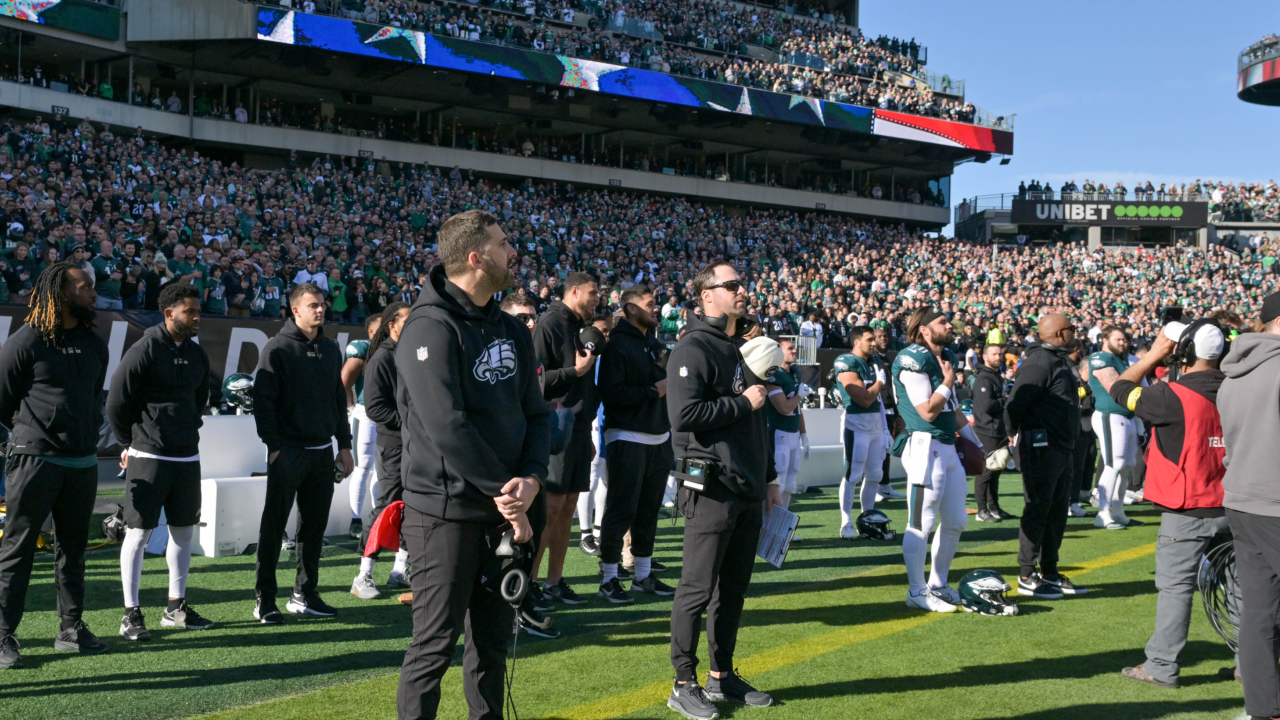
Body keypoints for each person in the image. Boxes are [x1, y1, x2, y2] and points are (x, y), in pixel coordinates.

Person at [394, 210, 549, 720]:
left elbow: (536, 412)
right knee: (434, 647)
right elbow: (447, 426)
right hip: (445, 513)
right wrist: (510, 495)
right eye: (505, 245)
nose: (514, 253)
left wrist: (530, 478)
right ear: (477, 257)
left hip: (506, 508)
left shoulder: (510, 327)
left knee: (492, 644)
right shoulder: (427, 327)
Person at [666, 260, 780, 719]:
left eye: (742, 284)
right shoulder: (692, 347)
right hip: (711, 486)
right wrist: (741, 401)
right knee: (696, 588)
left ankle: (721, 675)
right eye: (731, 285)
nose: (742, 290)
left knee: (732, 589)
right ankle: (682, 682)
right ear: (706, 295)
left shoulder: (741, 348)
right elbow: (683, 416)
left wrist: (769, 478)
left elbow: (760, 421)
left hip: (748, 485)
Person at [1111, 321, 1233, 689]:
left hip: (1187, 507)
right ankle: (1252, 664)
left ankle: (1162, 666)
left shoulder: (1170, 395)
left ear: (1186, 351)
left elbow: (1120, 389)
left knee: (1176, 588)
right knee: (1242, 587)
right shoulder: (1239, 390)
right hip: (1234, 505)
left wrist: (1154, 353)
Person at [0, 263, 110, 668]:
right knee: (18, 549)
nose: (93, 293)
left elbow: (93, 396)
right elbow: (2, 400)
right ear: (62, 292)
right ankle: (2, 636)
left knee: (74, 549)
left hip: (81, 462)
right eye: (84, 287)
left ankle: (70, 628)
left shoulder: (95, 344)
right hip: (34, 460)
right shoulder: (25, 341)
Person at [107, 283, 214, 641]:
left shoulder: (197, 354)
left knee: (184, 532)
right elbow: (117, 401)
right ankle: (130, 614)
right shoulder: (145, 348)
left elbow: (200, 398)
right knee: (138, 533)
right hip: (148, 454)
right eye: (190, 312)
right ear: (169, 314)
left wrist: (186, 428)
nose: (197, 317)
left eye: (198, 311)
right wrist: (128, 442)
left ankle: (176, 607)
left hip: (187, 455)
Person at [251, 283, 355, 624]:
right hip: (289, 452)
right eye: (313, 305)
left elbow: (338, 401)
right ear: (295, 310)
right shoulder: (277, 348)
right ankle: (265, 599)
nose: (320, 310)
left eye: (322, 304)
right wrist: (274, 447)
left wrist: (344, 445)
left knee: (313, 529)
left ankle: (304, 593)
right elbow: (263, 402)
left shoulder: (330, 348)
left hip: (322, 452)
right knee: (274, 527)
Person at [893, 307, 981, 613]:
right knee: (921, 521)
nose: (950, 325)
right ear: (925, 330)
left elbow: (951, 409)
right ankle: (916, 591)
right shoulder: (912, 357)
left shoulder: (947, 358)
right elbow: (927, 411)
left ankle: (938, 585)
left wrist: (977, 444)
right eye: (942, 322)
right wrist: (946, 381)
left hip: (946, 446)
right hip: (922, 446)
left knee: (956, 519)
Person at [1219, 291, 1280, 719]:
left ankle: (1264, 710)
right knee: (1259, 613)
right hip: (1274, 501)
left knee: (1259, 613)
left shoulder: (1234, 372)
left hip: (1243, 498)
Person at [595, 284, 675, 604]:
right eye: (650, 304)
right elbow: (611, 393)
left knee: (648, 511)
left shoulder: (652, 343)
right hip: (627, 435)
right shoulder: (616, 345)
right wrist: (653, 392)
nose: (656, 309)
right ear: (630, 309)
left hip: (658, 435)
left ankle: (642, 575)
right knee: (621, 509)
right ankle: (609, 579)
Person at [1003, 314, 1085, 600]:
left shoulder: (1056, 359)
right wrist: (1012, 434)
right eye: (1072, 329)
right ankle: (1027, 574)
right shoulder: (1038, 363)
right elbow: (1015, 404)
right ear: (1061, 334)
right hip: (1042, 448)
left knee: (1057, 510)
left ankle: (1049, 571)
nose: (1076, 333)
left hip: (1061, 446)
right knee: (1038, 509)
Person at [531, 271, 600, 608]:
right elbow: (535, 380)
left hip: (578, 426)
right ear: (574, 291)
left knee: (568, 505)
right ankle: (528, 583)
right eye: (592, 293)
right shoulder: (551, 323)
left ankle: (554, 582)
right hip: (555, 426)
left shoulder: (577, 325)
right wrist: (576, 372)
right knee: (551, 507)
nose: (597, 299)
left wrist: (585, 430)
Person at [351, 302, 412, 602]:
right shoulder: (381, 359)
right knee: (387, 506)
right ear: (392, 325)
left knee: (415, 505)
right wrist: (410, 423)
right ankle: (363, 575)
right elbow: (375, 408)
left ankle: (400, 570)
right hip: (393, 446)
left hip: (416, 444)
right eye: (407, 320)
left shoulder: (411, 352)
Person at [832, 326, 888, 538]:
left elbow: (877, 400)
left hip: (875, 425)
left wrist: (885, 428)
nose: (874, 342)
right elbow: (863, 399)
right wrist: (880, 382)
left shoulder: (872, 363)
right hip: (857, 424)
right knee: (853, 474)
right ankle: (846, 522)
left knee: (875, 474)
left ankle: (868, 518)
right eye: (869, 339)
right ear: (857, 342)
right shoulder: (846, 362)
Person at [1087, 326, 1140, 529]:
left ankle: (1117, 511)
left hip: (1127, 416)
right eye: (1118, 339)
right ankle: (1103, 513)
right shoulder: (1100, 358)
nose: (1122, 343)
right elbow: (1115, 387)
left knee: (1127, 466)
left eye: (1125, 340)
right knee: (1113, 464)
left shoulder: (1124, 359)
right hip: (1110, 415)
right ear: (1105, 339)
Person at [342, 313, 383, 540]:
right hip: (366, 413)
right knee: (363, 467)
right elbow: (344, 380)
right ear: (370, 331)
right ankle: (356, 519)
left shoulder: (398, 347)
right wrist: (351, 408)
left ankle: (379, 520)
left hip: (390, 416)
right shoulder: (362, 349)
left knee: (382, 469)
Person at [764, 338, 810, 514]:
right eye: (790, 348)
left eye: (795, 348)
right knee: (778, 484)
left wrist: (804, 434)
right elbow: (783, 408)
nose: (794, 351)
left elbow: (796, 409)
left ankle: (781, 525)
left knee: (790, 485)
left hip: (793, 434)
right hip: (778, 433)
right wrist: (799, 396)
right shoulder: (774, 374)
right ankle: (767, 528)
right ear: (778, 352)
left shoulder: (796, 372)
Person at [970, 343, 1010, 522]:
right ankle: (981, 510)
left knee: (996, 471)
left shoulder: (995, 376)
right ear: (985, 357)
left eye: (1000, 354)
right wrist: (1006, 399)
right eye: (994, 354)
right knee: (985, 472)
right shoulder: (984, 379)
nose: (998, 357)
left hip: (998, 429)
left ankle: (994, 507)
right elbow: (987, 406)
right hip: (987, 430)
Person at [872, 326, 906, 502]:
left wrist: (898, 412)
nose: (883, 339)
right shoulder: (872, 360)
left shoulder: (888, 359)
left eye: (885, 336)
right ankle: (874, 487)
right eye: (879, 337)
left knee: (886, 448)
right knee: (877, 449)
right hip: (878, 410)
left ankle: (884, 485)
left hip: (891, 410)